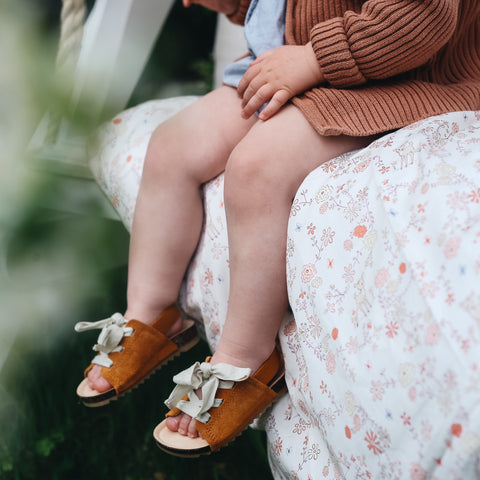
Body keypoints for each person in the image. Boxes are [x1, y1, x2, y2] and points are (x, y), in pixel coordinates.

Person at [76, 0, 480, 456]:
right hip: (296, 64)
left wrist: (314, 59)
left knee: (258, 167)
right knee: (171, 146)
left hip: (399, 75)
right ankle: (151, 312)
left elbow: (419, 19)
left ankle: (246, 358)